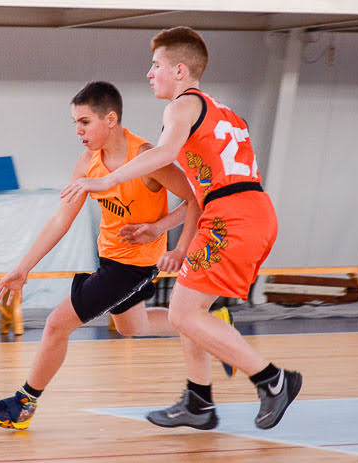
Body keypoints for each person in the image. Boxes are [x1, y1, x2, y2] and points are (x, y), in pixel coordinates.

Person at [61, 27, 302, 430]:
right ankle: (198, 401)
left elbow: (164, 155)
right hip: (243, 211)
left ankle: (273, 380)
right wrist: (163, 229)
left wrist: (105, 181)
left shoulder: (181, 107)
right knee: (190, 310)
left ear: (179, 69)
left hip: (232, 217)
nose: (149, 73)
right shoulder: (223, 112)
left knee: (183, 314)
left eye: (155, 65)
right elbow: (200, 193)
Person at [0, 81, 228, 431]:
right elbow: (60, 220)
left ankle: (23, 404)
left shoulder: (146, 157)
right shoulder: (87, 163)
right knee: (132, 327)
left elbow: (196, 200)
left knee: (55, 324)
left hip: (135, 266)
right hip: (109, 259)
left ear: (110, 119)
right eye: (75, 123)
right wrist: (23, 269)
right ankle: (209, 324)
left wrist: (159, 228)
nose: (78, 131)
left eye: (85, 122)